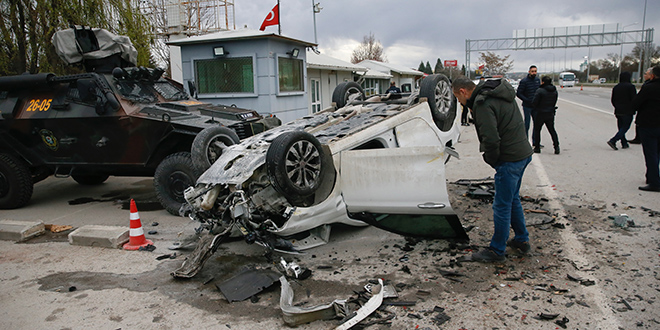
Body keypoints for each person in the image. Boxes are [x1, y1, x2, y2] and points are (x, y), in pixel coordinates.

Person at [452, 76, 534, 262]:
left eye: (458, 98)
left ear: (463, 91)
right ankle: (522, 240)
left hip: (510, 159)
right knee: (512, 199)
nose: (460, 102)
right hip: (522, 153)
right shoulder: (499, 93)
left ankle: (497, 251)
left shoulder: (482, 103)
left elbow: (491, 138)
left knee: (501, 205)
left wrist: (492, 160)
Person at [632, 65, 660, 192]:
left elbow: (636, 104)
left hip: (649, 125)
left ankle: (654, 181)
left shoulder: (649, 88)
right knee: (657, 153)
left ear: (653, 76)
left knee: (651, 154)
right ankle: (652, 176)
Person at [607, 72, 637, 150]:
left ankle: (624, 143)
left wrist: (616, 106)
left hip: (618, 110)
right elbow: (634, 99)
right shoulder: (631, 87)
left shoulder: (616, 87)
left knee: (621, 127)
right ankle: (613, 140)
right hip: (628, 110)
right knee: (625, 127)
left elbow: (613, 99)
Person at [531, 76, 560, 154]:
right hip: (550, 112)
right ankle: (556, 147)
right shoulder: (554, 91)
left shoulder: (540, 91)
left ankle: (537, 147)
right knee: (552, 130)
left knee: (537, 130)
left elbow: (534, 102)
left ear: (543, 82)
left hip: (540, 113)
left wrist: (535, 107)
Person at [516, 65, 541, 145]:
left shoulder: (537, 80)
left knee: (536, 124)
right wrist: (527, 100)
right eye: (532, 71)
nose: (534, 73)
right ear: (529, 72)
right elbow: (519, 93)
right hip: (527, 106)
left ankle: (535, 142)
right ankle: (525, 142)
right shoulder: (524, 81)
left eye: (535, 71)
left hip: (536, 106)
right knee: (526, 124)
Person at [629, 67, 654, 144]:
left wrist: (634, 107)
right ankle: (638, 137)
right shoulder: (647, 84)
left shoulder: (648, 86)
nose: (644, 75)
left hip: (647, 111)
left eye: (646, 74)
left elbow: (639, 99)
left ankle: (639, 138)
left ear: (651, 75)